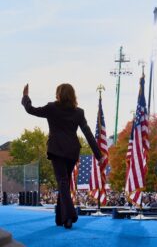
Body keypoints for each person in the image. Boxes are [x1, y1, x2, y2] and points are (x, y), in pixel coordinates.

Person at [22, 83, 105, 229]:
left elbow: (30, 110)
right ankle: (60, 218)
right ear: (73, 95)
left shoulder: (52, 108)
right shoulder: (78, 112)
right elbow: (88, 134)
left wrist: (25, 97)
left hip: (57, 150)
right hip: (72, 151)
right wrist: (99, 156)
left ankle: (69, 217)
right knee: (64, 183)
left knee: (63, 182)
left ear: (58, 94)